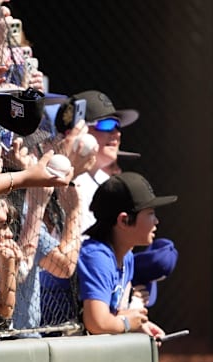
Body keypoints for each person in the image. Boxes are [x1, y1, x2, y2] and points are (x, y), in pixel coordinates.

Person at [78, 172, 175, 339]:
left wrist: (141, 325)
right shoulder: (97, 256)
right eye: (150, 213)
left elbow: (110, 315)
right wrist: (128, 324)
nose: (156, 221)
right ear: (124, 220)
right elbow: (97, 323)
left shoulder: (126, 255)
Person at [63, 90, 140, 233]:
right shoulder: (60, 179)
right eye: (107, 124)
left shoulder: (108, 182)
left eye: (118, 126)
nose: (117, 133)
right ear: (77, 131)